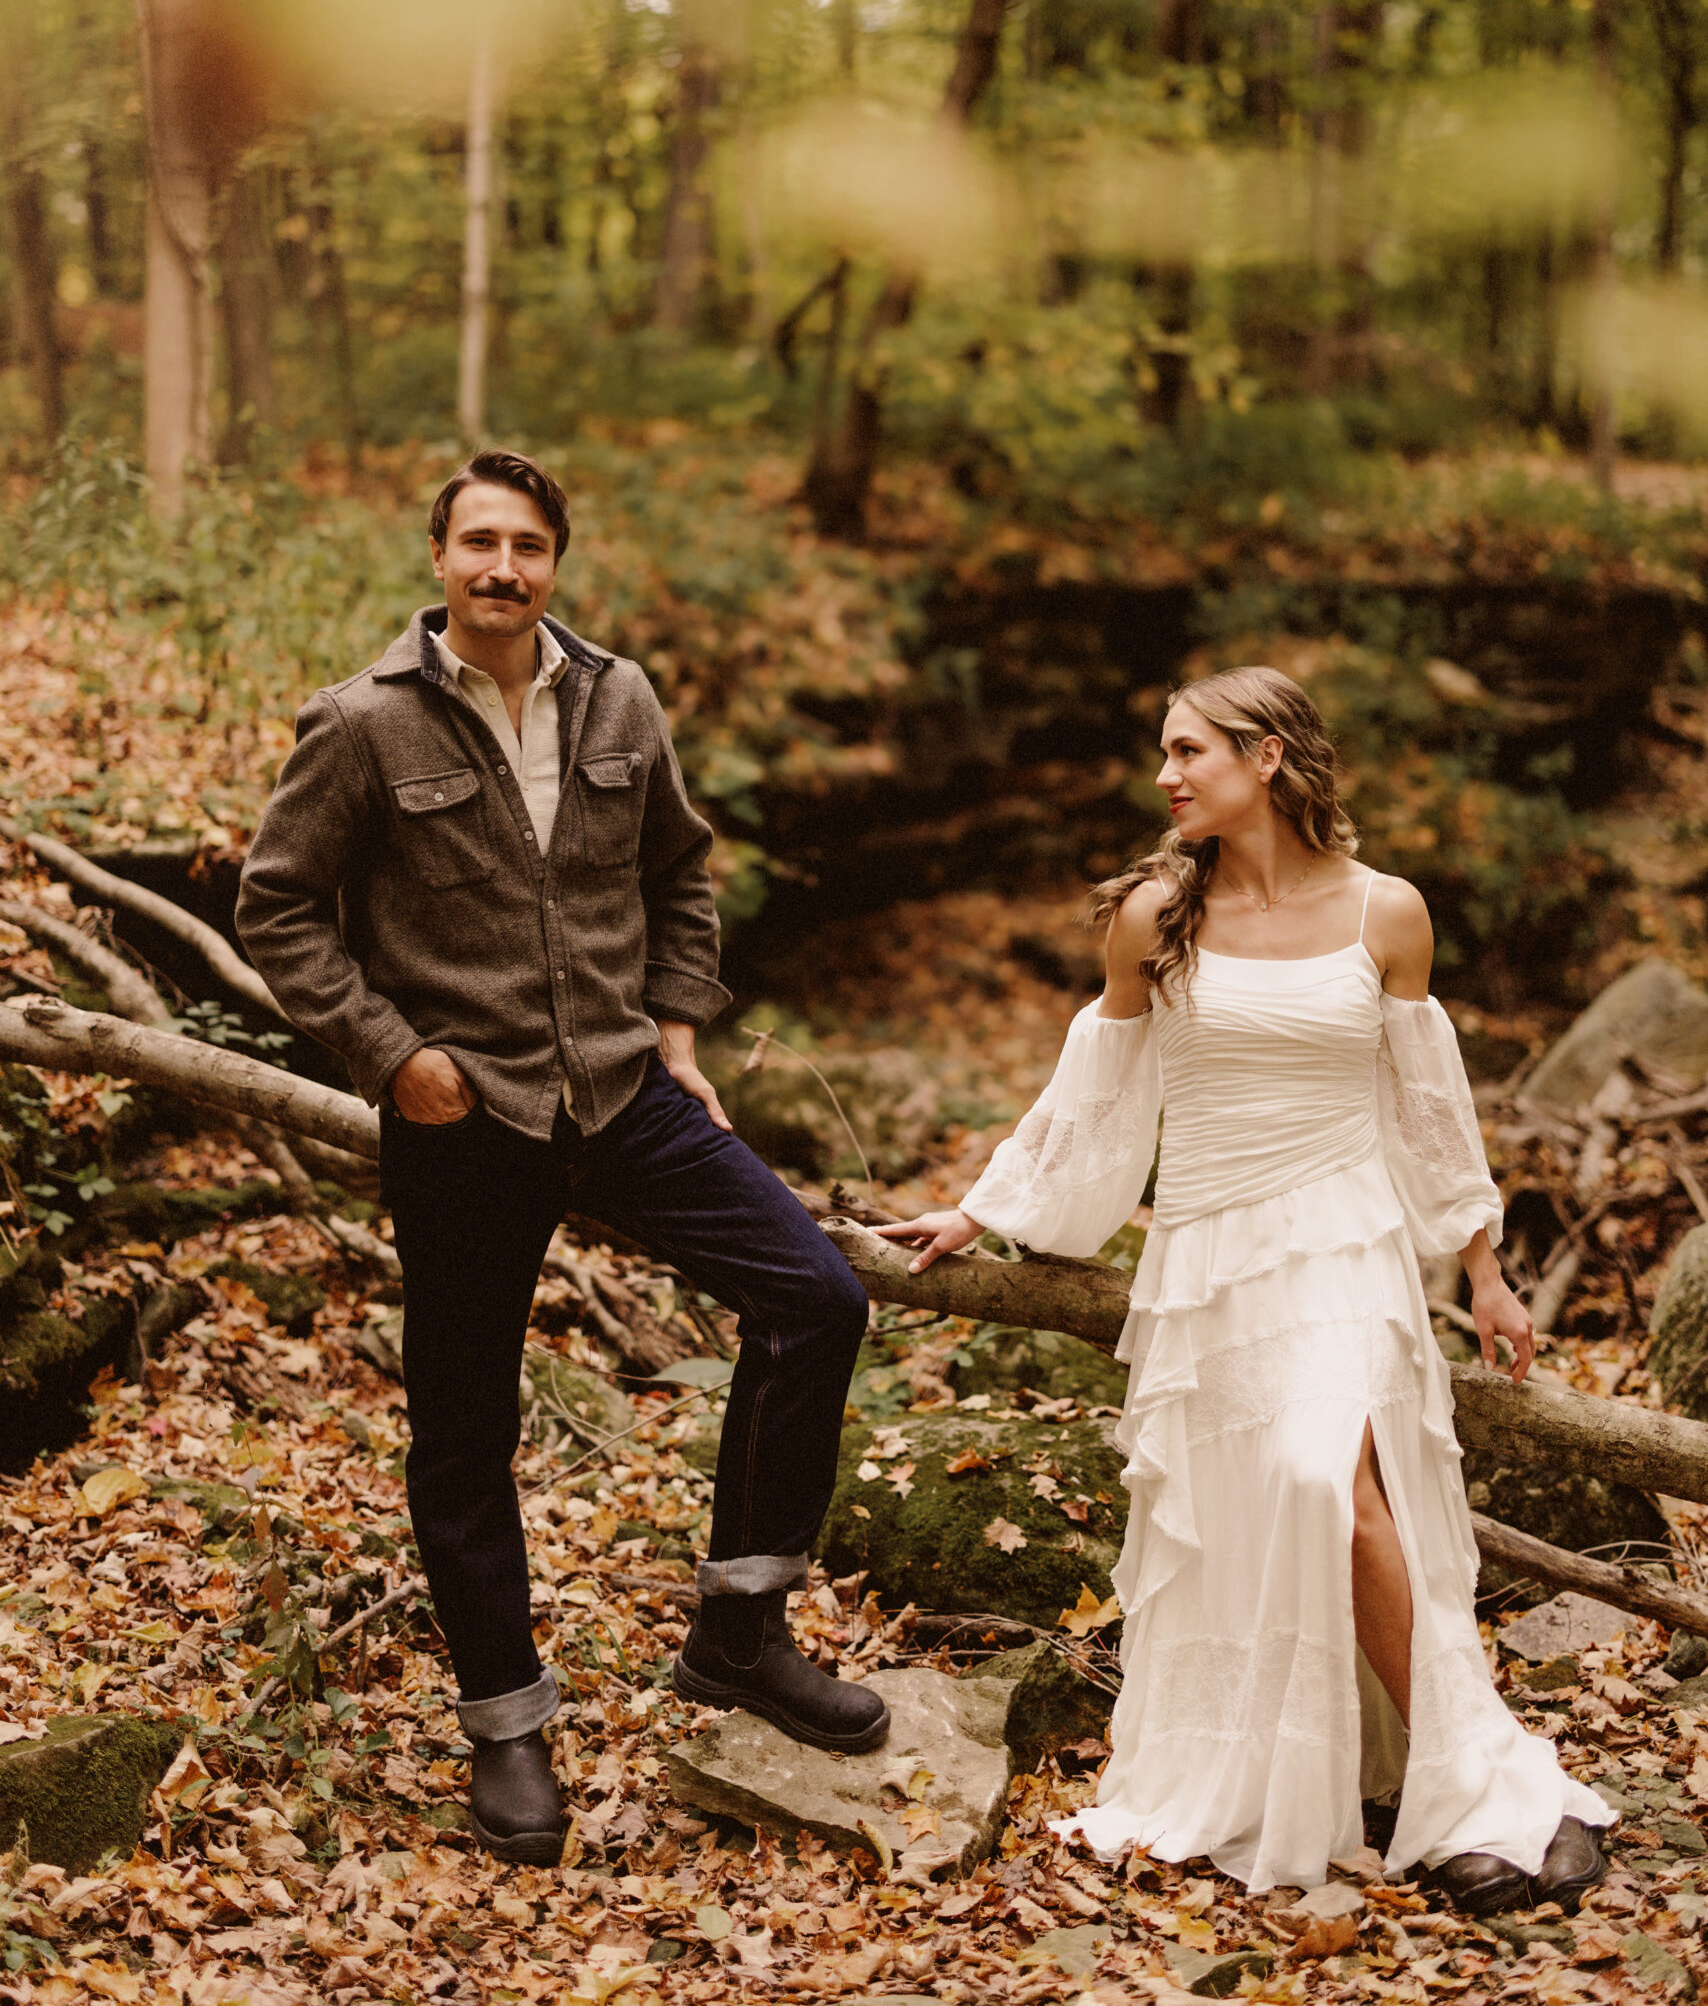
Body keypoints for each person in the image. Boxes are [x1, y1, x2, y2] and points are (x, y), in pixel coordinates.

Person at [236, 450, 885, 1866]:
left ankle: (741, 1627)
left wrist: (678, 1031)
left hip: (619, 1090)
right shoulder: (358, 726)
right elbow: (277, 910)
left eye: (528, 545)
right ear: (436, 557)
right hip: (464, 1120)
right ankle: (506, 1729)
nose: (503, 568)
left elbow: (680, 871)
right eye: (479, 542)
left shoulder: (621, 696)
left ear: (555, 563)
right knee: (466, 1431)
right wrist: (391, 1054)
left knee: (817, 1296)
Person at [879, 665, 1616, 1911]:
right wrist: (988, 1203)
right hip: (1212, 1252)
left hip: (1345, 1243)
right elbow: (1097, 1091)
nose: (1164, 775)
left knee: (1324, 1482)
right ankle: (1416, 1770)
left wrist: (1483, 1266)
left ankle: (1466, 1789)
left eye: (1188, 750)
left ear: (1267, 757)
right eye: (1164, 753)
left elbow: (1425, 1107)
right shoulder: (1153, 914)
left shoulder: (1388, 912)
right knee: (1297, 1501)